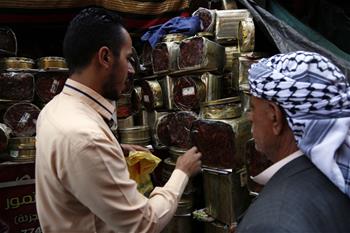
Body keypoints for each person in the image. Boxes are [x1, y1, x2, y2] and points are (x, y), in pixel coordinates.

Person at [35, 7, 202, 233]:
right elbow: (144, 224)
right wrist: (181, 172)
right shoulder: (86, 138)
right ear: (105, 57)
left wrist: (116, 148)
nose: (132, 70)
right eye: (128, 58)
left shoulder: (54, 109)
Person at [236, 51, 350, 233]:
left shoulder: (270, 225)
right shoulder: (339, 174)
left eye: (253, 107)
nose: (250, 117)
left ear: (275, 116)